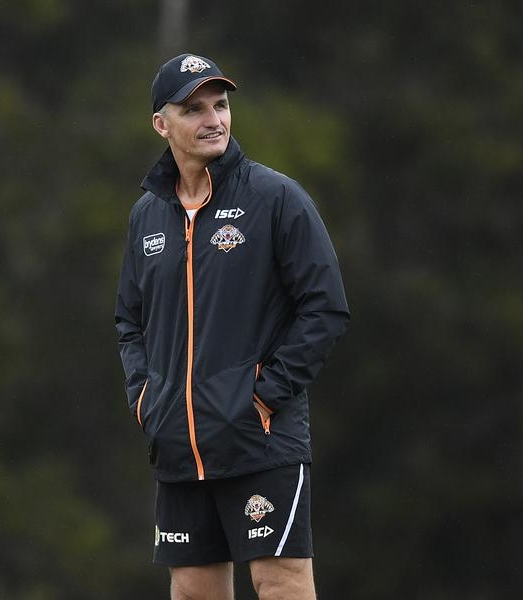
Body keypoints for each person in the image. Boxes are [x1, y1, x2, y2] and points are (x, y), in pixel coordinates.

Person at [115, 52, 350, 600]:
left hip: (259, 439)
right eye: (194, 109)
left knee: (281, 585)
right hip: (178, 444)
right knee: (193, 591)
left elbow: (326, 307)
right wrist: (147, 398)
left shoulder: (275, 197)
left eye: (220, 105)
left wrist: (263, 396)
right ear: (161, 124)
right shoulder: (146, 215)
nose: (213, 119)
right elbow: (130, 319)